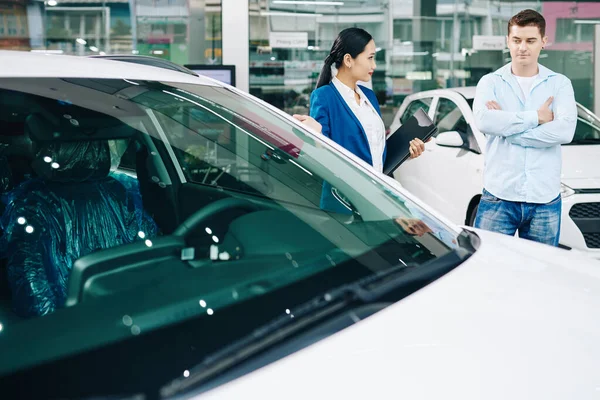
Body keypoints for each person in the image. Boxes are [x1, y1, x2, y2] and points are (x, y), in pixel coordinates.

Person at [472, 9, 577, 246]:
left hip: (544, 197)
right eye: (517, 40)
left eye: (530, 41)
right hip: (499, 195)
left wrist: (510, 130)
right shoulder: (490, 82)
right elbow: (484, 121)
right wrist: (536, 117)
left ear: (543, 42)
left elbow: (565, 131)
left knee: (539, 274)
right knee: (488, 267)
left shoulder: (559, 84)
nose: (522, 47)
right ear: (507, 41)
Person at [293, 27, 425, 212]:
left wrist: (406, 152)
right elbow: (321, 158)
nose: (374, 65)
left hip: (378, 196)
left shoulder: (369, 97)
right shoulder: (324, 96)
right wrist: (316, 136)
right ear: (348, 60)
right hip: (345, 202)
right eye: (370, 58)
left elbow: (376, 151)